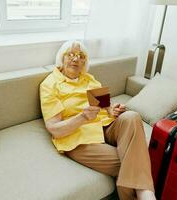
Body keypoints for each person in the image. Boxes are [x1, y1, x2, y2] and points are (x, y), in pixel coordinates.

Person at [39, 40, 156, 200]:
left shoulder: (88, 79)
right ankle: (146, 196)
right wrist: (82, 117)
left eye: (81, 56)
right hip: (78, 138)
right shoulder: (50, 85)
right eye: (71, 54)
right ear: (62, 57)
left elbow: (106, 105)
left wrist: (112, 109)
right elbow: (55, 129)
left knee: (132, 116)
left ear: (84, 61)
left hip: (105, 126)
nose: (75, 59)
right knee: (136, 160)